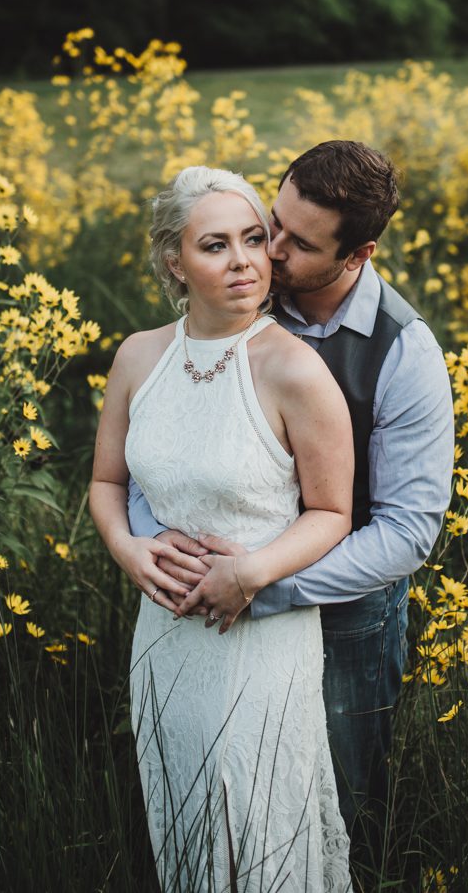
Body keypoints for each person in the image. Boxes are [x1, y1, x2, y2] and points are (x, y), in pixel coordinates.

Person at [131, 140, 454, 855]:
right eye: (269, 221)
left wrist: (261, 581)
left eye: (295, 242)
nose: (266, 251)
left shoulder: (403, 353)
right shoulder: (235, 286)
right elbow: (159, 431)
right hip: (205, 604)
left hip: (344, 617)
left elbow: (404, 533)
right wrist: (151, 539)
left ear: (356, 254)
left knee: (334, 800)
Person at [89, 165, 355, 892]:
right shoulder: (139, 356)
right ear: (175, 260)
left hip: (257, 639)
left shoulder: (293, 369)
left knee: (258, 828)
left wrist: (252, 572)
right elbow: (107, 482)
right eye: (214, 245)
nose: (243, 260)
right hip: (164, 637)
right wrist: (127, 548)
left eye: (252, 239)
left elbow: (332, 513)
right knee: (184, 823)